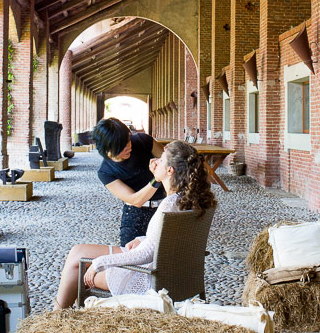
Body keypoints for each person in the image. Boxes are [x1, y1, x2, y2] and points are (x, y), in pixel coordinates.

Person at [54, 140, 216, 309]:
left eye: (161, 159)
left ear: (170, 170)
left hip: (146, 276)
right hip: (172, 271)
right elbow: (168, 238)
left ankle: (57, 317)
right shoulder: (188, 201)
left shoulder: (169, 204)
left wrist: (99, 263)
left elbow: (145, 255)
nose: (155, 161)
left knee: (80, 271)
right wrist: (142, 238)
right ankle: (58, 317)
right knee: (78, 251)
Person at [92, 118, 165, 246]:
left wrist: (168, 158)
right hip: (136, 214)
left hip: (164, 207)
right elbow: (135, 200)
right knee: (129, 256)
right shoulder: (105, 172)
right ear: (106, 148)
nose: (128, 147)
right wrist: (157, 179)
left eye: (128, 141)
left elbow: (172, 165)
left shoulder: (143, 141)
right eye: (121, 146)